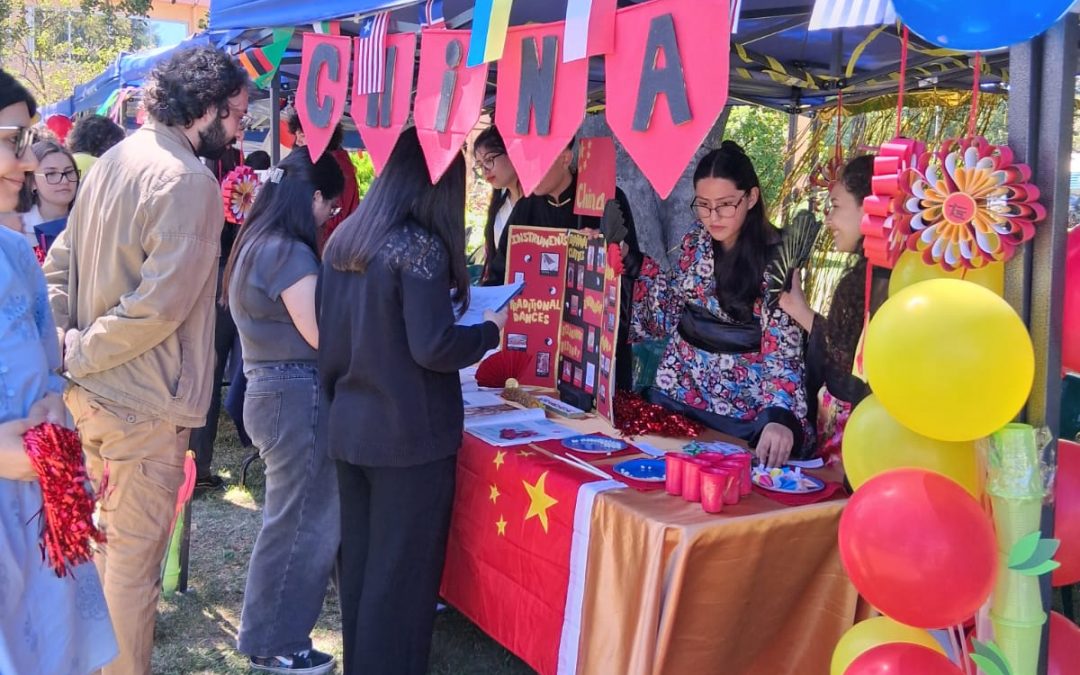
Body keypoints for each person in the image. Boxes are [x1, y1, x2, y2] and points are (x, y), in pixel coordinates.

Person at [42, 46, 249, 675]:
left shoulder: (111, 161)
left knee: (106, 563)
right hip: (141, 404)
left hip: (95, 395)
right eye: (237, 113)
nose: (241, 127)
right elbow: (159, 307)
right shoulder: (188, 180)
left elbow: (57, 268)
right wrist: (82, 345)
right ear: (205, 107)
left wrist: (68, 342)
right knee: (130, 577)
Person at [319, 127, 506, 675]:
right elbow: (434, 346)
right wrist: (488, 332)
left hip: (351, 426)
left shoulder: (346, 237)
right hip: (409, 439)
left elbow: (331, 344)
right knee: (400, 582)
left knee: (363, 571)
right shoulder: (418, 249)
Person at [0, 67, 117, 675]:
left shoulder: (17, 249)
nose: (22, 165)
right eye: (10, 141)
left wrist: (51, 408)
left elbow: (47, 366)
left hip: (35, 501)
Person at [223, 146, 344, 674]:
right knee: (301, 526)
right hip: (296, 395)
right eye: (331, 208)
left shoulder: (254, 243)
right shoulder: (288, 253)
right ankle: (277, 641)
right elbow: (322, 334)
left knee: (290, 520)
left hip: (271, 391)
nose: (331, 217)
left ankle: (272, 636)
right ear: (313, 197)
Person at [631, 141, 812, 467]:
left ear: (751, 198)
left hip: (745, 404)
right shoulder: (694, 241)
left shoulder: (778, 257)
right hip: (681, 389)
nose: (712, 217)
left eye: (726, 204)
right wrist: (632, 265)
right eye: (703, 205)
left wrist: (779, 415)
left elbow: (783, 346)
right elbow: (665, 313)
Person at [489, 138, 643, 390]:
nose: (528, 174)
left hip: (593, 345)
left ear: (565, 157)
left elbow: (629, 270)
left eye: (537, 165)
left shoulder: (605, 197)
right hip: (537, 342)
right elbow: (500, 272)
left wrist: (602, 251)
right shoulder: (526, 206)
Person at [780, 155, 888, 462]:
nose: (829, 220)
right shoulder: (878, 276)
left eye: (837, 206)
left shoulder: (868, 282)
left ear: (870, 206)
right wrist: (798, 310)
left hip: (859, 439)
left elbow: (849, 366)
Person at [286, 108, 359, 248]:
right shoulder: (335, 162)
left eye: (302, 133)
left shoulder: (332, 168)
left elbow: (335, 218)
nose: (298, 139)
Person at [472, 125, 522, 284]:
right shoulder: (499, 205)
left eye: (489, 160)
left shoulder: (536, 202)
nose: (485, 170)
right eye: (480, 164)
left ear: (512, 153)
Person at [15, 140, 79, 252]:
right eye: (51, 174)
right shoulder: (17, 230)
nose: (64, 180)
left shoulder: (89, 221)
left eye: (69, 172)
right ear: (32, 182)